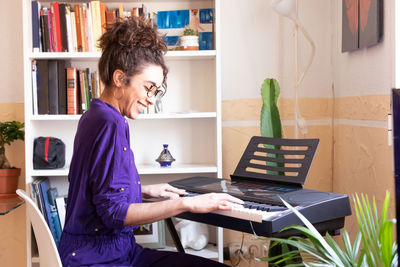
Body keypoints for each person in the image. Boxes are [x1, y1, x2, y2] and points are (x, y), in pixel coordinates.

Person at [58, 16, 243, 267]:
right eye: (148, 87)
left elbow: (96, 191)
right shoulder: (109, 123)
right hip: (102, 259)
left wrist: (144, 191)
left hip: (109, 252)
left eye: (155, 91)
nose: (151, 99)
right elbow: (113, 214)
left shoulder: (97, 115)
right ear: (120, 78)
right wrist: (185, 203)